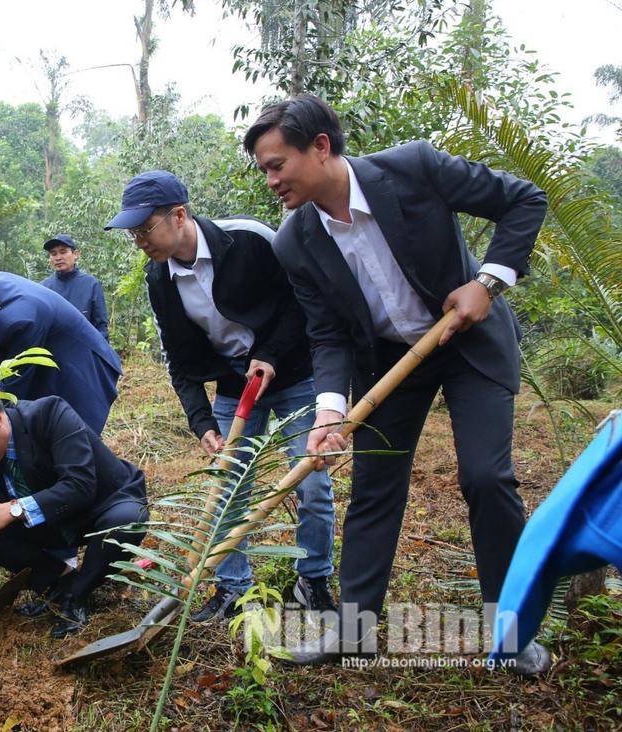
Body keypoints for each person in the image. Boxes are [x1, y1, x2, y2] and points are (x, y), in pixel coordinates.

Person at [245, 94, 549, 674]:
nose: (271, 181)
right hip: (389, 363)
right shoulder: (294, 241)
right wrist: (329, 411)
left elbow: (524, 200)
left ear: (321, 147)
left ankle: (514, 630)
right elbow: (327, 332)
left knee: (486, 477)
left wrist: (488, 281)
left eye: (277, 165)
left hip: (467, 340)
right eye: (264, 170)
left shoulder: (413, 168)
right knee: (374, 489)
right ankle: (353, 632)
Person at [105, 169, 337, 620]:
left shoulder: (249, 238)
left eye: (145, 229)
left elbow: (302, 300)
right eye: (134, 234)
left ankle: (313, 579)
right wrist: (202, 422)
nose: (140, 242)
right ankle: (232, 587)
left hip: (295, 373)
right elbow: (178, 358)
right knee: (228, 486)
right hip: (234, 382)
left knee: (310, 479)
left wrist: (270, 353)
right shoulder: (159, 279)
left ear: (179, 215)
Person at [0, 386, 148, 665]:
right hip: (52, 524)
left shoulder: (50, 415)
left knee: (127, 521)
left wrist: (13, 509)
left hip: (104, 506)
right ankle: (61, 584)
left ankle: (78, 594)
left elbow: (80, 485)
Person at [0, 260, 121, 435]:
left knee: (72, 441)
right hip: (51, 365)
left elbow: (13, 393)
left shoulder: (18, 319)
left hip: (81, 371)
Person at [39, 234, 109, 340]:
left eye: (63, 252)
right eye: (53, 254)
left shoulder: (91, 284)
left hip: (85, 347)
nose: (58, 258)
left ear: (75, 254)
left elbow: (101, 326)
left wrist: (101, 349)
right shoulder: (43, 288)